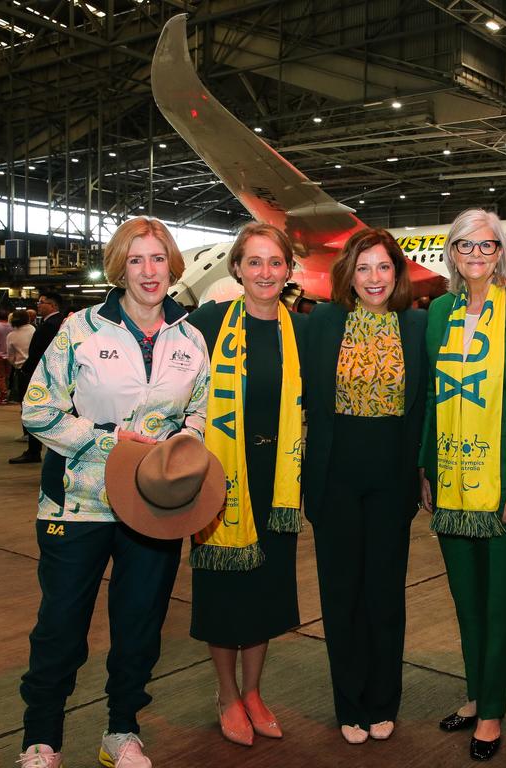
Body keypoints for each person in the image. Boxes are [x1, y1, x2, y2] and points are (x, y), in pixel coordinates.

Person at [17, 217, 210, 768]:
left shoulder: (190, 338)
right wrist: (105, 442)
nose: (149, 272)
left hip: (152, 505)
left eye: (157, 259)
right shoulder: (80, 329)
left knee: (140, 623)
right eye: (136, 260)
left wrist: (184, 439)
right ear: (119, 267)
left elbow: (202, 409)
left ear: (172, 265)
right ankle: (42, 739)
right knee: (61, 626)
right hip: (77, 503)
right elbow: (37, 410)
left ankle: (121, 731)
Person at [419, 208, 506, 761]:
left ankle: (492, 711)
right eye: (465, 245)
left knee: (499, 606)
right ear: (451, 252)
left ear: (501, 252)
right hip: (450, 478)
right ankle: (475, 695)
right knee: (467, 603)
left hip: (501, 485)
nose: (476, 254)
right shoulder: (439, 311)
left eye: (487, 245)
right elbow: (431, 396)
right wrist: (426, 466)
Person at [303, 227, 427, 745]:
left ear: (397, 273)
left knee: (384, 594)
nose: (374, 278)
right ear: (348, 275)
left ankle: (382, 700)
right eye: (363, 268)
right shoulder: (323, 321)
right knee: (341, 593)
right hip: (335, 479)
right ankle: (349, 703)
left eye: (383, 267)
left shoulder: (418, 325)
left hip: (392, 479)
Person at [186, 223, 305, 747]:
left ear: (288, 271)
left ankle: (254, 692)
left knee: (264, 591)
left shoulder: (300, 330)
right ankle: (226, 693)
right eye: (253, 262)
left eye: (274, 262)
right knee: (223, 591)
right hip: (221, 477)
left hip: (277, 484)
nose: (264, 272)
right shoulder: (207, 322)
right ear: (236, 268)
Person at [10, 292, 64, 464]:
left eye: (42, 302)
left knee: (36, 411)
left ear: (53, 305)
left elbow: (41, 352)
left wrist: (27, 370)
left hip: (41, 375)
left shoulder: (51, 325)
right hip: (49, 374)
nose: (38, 305)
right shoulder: (53, 323)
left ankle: (34, 450)